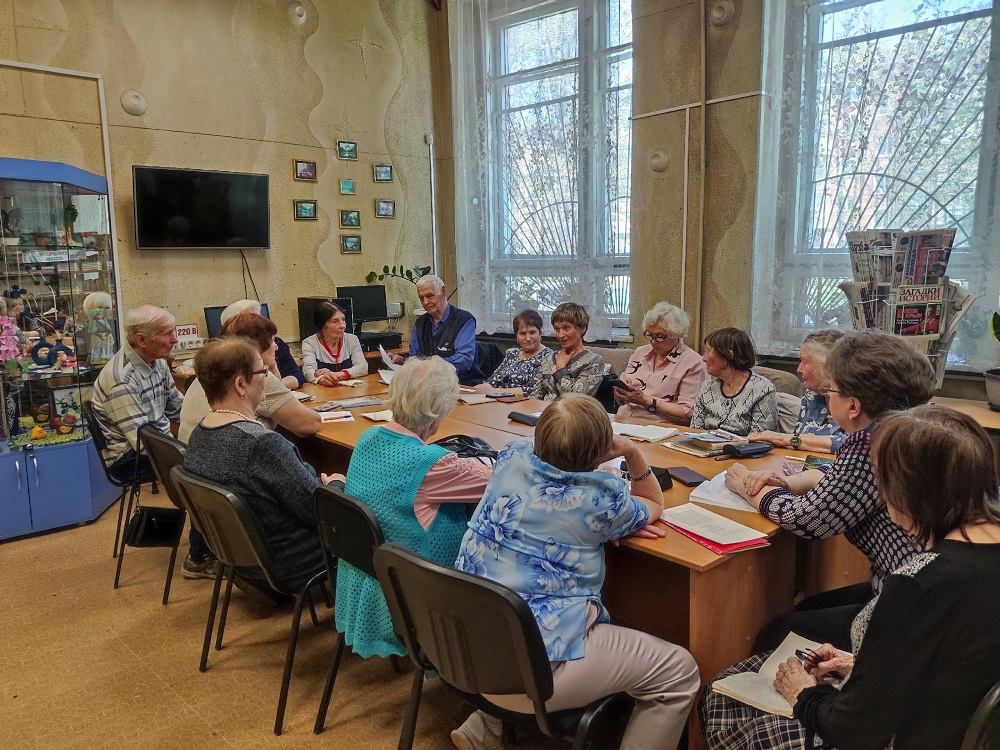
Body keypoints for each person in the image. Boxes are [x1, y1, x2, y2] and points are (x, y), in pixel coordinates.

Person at [702, 404, 1000, 750]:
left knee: (723, 693)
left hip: (907, 736)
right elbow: (960, 662)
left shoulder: (918, 583)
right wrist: (858, 665)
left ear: (907, 494)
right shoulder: (974, 562)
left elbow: (851, 730)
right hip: (964, 726)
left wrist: (803, 693)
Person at [452, 393, 699, 750]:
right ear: (601, 451)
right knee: (679, 672)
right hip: (532, 673)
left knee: (509, 584)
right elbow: (653, 502)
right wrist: (631, 452)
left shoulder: (509, 458)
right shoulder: (600, 500)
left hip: (463, 646)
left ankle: (486, 723)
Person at [724, 332, 934, 651]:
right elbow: (841, 476)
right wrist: (787, 482)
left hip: (912, 607)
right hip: (922, 586)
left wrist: (747, 487)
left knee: (778, 633)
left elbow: (806, 519)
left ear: (853, 405)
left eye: (831, 389)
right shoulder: (903, 428)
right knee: (807, 608)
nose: (826, 395)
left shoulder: (872, 446)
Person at [336, 356, 492, 658]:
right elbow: (498, 480)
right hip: (418, 599)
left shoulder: (368, 437)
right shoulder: (431, 464)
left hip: (370, 580)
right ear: (437, 417)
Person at [183, 337, 341, 591]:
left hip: (239, 561)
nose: (268, 377)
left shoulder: (200, 433)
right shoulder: (261, 444)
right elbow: (319, 510)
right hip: (291, 563)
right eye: (263, 372)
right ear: (240, 384)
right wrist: (336, 485)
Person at [179, 312, 320, 442]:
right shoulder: (253, 377)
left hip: (198, 455)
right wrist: (268, 369)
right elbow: (310, 424)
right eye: (272, 341)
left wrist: (272, 367)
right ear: (258, 346)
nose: (276, 347)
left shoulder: (210, 373)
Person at [91, 305, 183, 484]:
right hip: (127, 457)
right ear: (141, 339)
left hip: (152, 441)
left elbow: (177, 408)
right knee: (203, 466)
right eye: (168, 334)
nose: (175, 339)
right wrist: (184, 452)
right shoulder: (122, 380)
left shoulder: (157, 361)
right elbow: (142, 442)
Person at [748, 329, 848, 454]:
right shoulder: (811, 392)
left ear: (826, 366)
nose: (799, 369)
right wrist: (790, 440)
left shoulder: (855, 398)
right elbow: (798, 438)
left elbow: (851, 444)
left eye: (804, 361)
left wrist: (786, 439)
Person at [613, 301, 708, 425]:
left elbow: (689, 414)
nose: (653, 341)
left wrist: (645, 401)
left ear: (676, 334)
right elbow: (622, 397)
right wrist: (621, 394)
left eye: (659, 336)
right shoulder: (640, 353)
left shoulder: (692, 362)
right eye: (650, 335)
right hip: (622, 421)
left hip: (658, 428)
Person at [389, 274, 484, 385]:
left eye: (429, 296)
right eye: (421, 298)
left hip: (462, 385)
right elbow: (414, 358)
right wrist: (402, 361)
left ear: (443, 291)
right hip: (430, 386)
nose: (425, 302)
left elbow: (464, 360)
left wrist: (429, 366)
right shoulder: (420, 323)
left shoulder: (463, 320)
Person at [690, 327, 777, 436]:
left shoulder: (762, 390)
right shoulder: (706, 388)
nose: (704, 358)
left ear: (728, 355)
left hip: (744, 447)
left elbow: (760, 439)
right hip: (704, 446)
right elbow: (694, 431)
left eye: (708, 351)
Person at [220, 299, 304, 388]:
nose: (260, 324)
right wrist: (273, 386)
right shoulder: (228, 360)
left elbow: (298, 376)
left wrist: (274, 373)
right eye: (252, 320)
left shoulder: (276, 343)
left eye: (260, 318)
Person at [530, 303, 605, 401]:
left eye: (566, 328)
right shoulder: (548, 358)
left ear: (582, 328)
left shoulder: (594, 361)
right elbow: (535, 395)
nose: (560, 335)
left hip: (571, 410)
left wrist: (561, 369)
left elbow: (575, 400)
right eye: (557, 329)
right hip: (544, 410)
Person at [479, 309, 551, 392]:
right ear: (516, 336)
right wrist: (474, 390)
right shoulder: (512, 354)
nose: (528, 338)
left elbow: (533, 390)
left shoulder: (547, 357)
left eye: (532, 332)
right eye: (523, 333)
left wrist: (496, 392)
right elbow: (492, 381)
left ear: (540, 333)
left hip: (525, 400)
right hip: (498, 397)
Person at [300, 301, 367, 385]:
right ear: (322, 325)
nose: (343, 326)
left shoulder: (352, 339)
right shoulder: (309, 343)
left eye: (343, 319)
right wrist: (322, 378)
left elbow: (363, 367)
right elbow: (308, 372)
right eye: (335, 321)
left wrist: (337, 375)